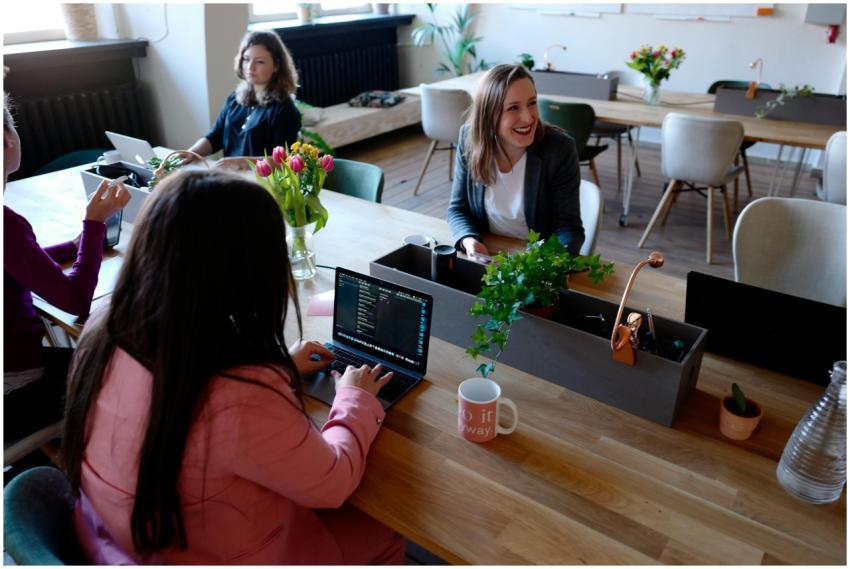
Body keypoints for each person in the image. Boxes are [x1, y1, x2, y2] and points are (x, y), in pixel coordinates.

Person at [60, 169, 405, 564]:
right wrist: (354, 398)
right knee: (387, 526)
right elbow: (333, 483)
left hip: (113, 536)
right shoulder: (239, 394)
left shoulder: (104, 327)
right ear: (249, 275)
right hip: (211, 553)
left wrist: (281, 368)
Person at [3, 93, 130, 444]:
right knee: (125, 371)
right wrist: (93, 223)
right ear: (7, 140)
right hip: (17, 394)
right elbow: (75, 301)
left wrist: (74, 247)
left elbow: (18, 261)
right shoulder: (7, 225)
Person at [447, 63, 585, 257]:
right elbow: (458, 209)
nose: (528, 118)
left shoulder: (559, 149)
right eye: (513, 108)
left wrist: (547, 265)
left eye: (532, 103)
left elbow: (569, 230)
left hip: (537, 262)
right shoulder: (469, 139)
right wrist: (469, 241)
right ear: (489, 116)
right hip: (488, 255)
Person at [187, 30, 302, 160]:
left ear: (276, 65)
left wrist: (240, 163)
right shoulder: (234, 99)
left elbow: (284, 161)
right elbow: (215, 137)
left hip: (260, 180)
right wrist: (191, 153)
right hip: (230, 175)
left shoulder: (285, 110)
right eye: (246, 59)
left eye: (259, 61)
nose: (250, 67)